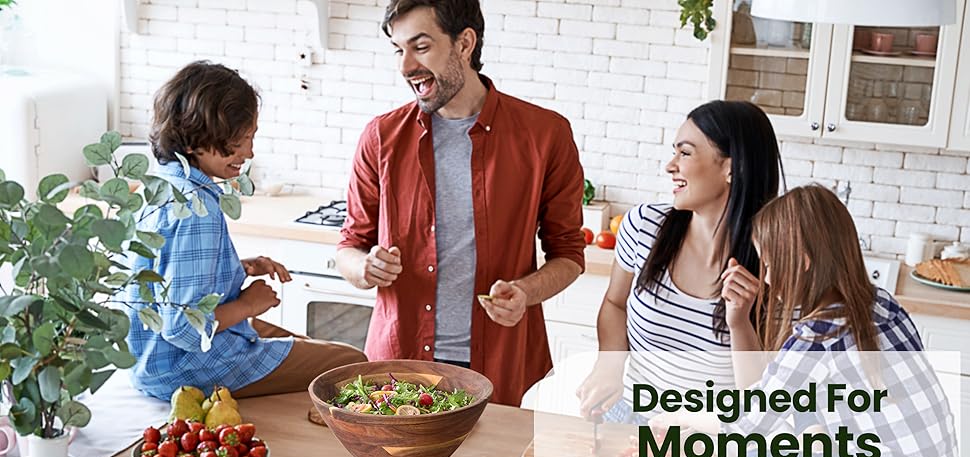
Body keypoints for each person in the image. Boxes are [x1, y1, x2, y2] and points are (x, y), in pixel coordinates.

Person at [336, 0, 586, 406]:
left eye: (420, 47)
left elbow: (570, 254)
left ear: (464, 43)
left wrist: (525, 291)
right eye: (399, 50)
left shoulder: (546, 136)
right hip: (400, 367)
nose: (405, 67)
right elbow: (349, 245)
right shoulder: (380, 137)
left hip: (501, 366)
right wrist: (365, 267)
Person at [126, 60, 366, 401]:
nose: (249, 152)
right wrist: (248, 305)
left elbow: (170, 281)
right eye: (241, 140)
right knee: (351, 364)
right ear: (198, 137)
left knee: (309, 346)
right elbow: (182, 327)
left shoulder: (162, 186)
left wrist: (239, 268)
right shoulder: (198, 210)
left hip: (152, 362)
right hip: (186, 370)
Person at [717, 184, 958, 457]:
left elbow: (745, 425)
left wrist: (677, 417)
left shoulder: (819, 336)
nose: (768, 278)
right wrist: (740, 322)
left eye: (770, 264)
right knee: (807, 408)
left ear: (802, 263)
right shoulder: (881, 302)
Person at [577, 100, 783, 421]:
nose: (670, 165)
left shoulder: (774, 262)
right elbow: (615, 304)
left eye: (685, 153)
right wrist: (609, 365)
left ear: (733, 168)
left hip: (712, 441)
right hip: (628, 420)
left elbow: (764, 395)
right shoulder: (645, 226)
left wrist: (740, 322)